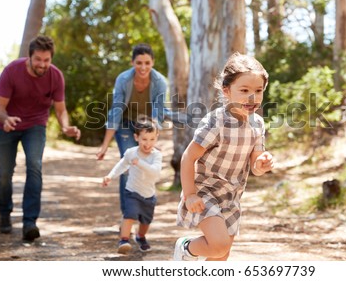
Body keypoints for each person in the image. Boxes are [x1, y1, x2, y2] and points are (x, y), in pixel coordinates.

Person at [173, 52, 274, 261]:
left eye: (258, 90)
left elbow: (254, 165)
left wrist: (262, 163)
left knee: (221, 256)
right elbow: (188, 157)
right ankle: (185, 248)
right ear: (227, 91)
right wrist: (190, 194)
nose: (252, 97)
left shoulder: (257, 124)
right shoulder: (216, 121)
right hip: (204, 191)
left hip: (232, 196)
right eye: (244, 90)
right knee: (218, 245)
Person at [0, 36, 81, 242]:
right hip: (8, 125)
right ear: (29, 56)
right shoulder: (11, 71)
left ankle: (29, 222)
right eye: (38, 59)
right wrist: (6, 119)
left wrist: (66, 126)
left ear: (51, 58)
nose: (42, 64)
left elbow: (61, 110)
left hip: (35, 125)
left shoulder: (55, 76)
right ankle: (4, 214)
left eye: (46, 60)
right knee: (6, 172)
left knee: (34, 166)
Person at [96, 43, 167, 218]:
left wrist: (153, 139)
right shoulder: (124, 79)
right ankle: (127, 214)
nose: (143, 67)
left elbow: (158, 113)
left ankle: (142, 209)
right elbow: (116, 111)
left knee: (145, 165)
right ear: (132, 62)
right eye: (139, 63)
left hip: (146, 125)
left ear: (153, 63)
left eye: (147, 63)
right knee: (128, 162)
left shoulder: (159, 82)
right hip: (126, 124)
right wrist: (105, 145)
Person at [102, 119, 162, 254]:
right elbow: (122, 165)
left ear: (156, 138)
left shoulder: (156, 155)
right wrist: (110, 176)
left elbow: (155, 172)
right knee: (129, 215)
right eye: (144, 139)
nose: (148, 143)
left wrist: (139, 163)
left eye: (152, 139)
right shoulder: (131, 152)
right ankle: (123, 240)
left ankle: (140, 236)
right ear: (136, 137)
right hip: (132, 191)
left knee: (146, 221)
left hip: (148, 195)